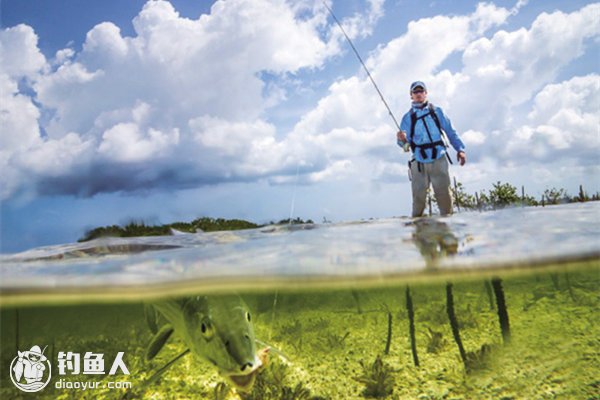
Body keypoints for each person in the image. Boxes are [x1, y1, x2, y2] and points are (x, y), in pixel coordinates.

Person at [397, 81, 466, 217]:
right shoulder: (407, 118)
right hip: (418, 161)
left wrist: (460, 149)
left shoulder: (437, 111)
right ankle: (418, 233)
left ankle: (447, 232)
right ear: (411, 95)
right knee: (418, 199)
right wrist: (402, 139)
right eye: (415, 92)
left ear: (426, 93)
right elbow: (405, 148)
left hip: (439, 158)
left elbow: (451, 131)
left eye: (421, 91)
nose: (418, 94)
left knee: (444, 196)